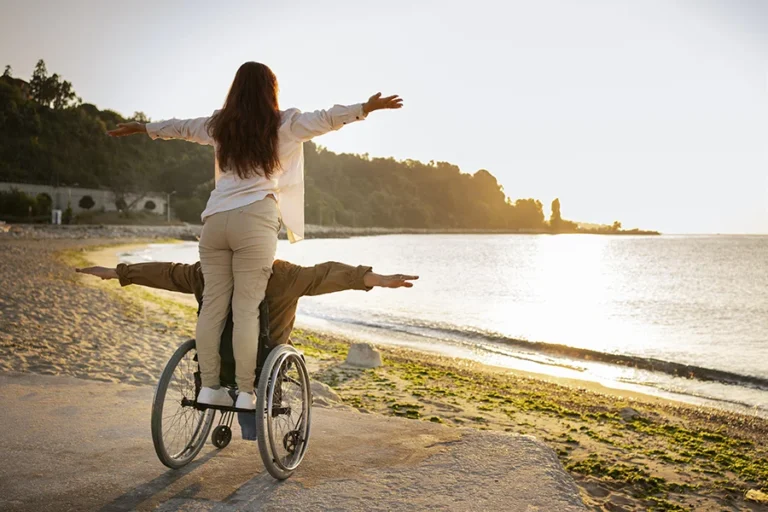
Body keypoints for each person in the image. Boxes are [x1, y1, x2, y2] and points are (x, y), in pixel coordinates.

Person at [107, 61, 403, 410]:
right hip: (256, 220)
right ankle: (246, 393)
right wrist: (364, 109)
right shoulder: (285, 123)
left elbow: (182, 127)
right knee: (246, 308)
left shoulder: (220, 125)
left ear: (236, 89)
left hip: (214, 220)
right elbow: (325, 119)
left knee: (213, 306)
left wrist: (144, 128)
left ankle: (210, 387)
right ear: (270, 91)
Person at [77, 259, 417, 439]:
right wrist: (376, 278)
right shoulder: (285, 275)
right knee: (276, 354)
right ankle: (253, 427)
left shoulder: (207, 272)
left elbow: (166, 273)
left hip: (217, 362)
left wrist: (117, 272)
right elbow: (329, 273)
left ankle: (230, 404)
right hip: (264, 364)